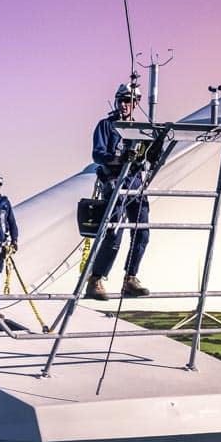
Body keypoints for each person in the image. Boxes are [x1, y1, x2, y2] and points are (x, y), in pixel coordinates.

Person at [86, 84, 150, 299]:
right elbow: (98, 154)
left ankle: (130, 279)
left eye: (128, 101)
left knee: (141, 231)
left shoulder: (141, 128)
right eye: (121, 100)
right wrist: (119, 160)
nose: (123, 105)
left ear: (135, 104)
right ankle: (96, 279)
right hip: (114, 181)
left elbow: (148, 155)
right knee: (114, 232)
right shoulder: (106, 126)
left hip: (134, 183)